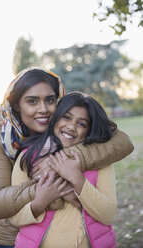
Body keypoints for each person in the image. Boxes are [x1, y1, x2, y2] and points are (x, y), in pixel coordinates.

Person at [0, 67, 134, 248]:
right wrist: (50, 190)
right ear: (16, 105)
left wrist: (58, 161)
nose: (43, 109)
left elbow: (123, 142)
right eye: (32, 101)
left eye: (50, 100)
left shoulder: (64, 121)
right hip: (12, 237)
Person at [10, 92, 120, 248]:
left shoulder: (101, 163)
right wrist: (39, 203)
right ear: (55, 118)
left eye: (81, 124)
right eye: (66, 117)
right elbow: (13, 216)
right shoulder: (28, 157)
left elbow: (108, 215)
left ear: (89, 131)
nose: (71, 127)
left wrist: (77, 178)